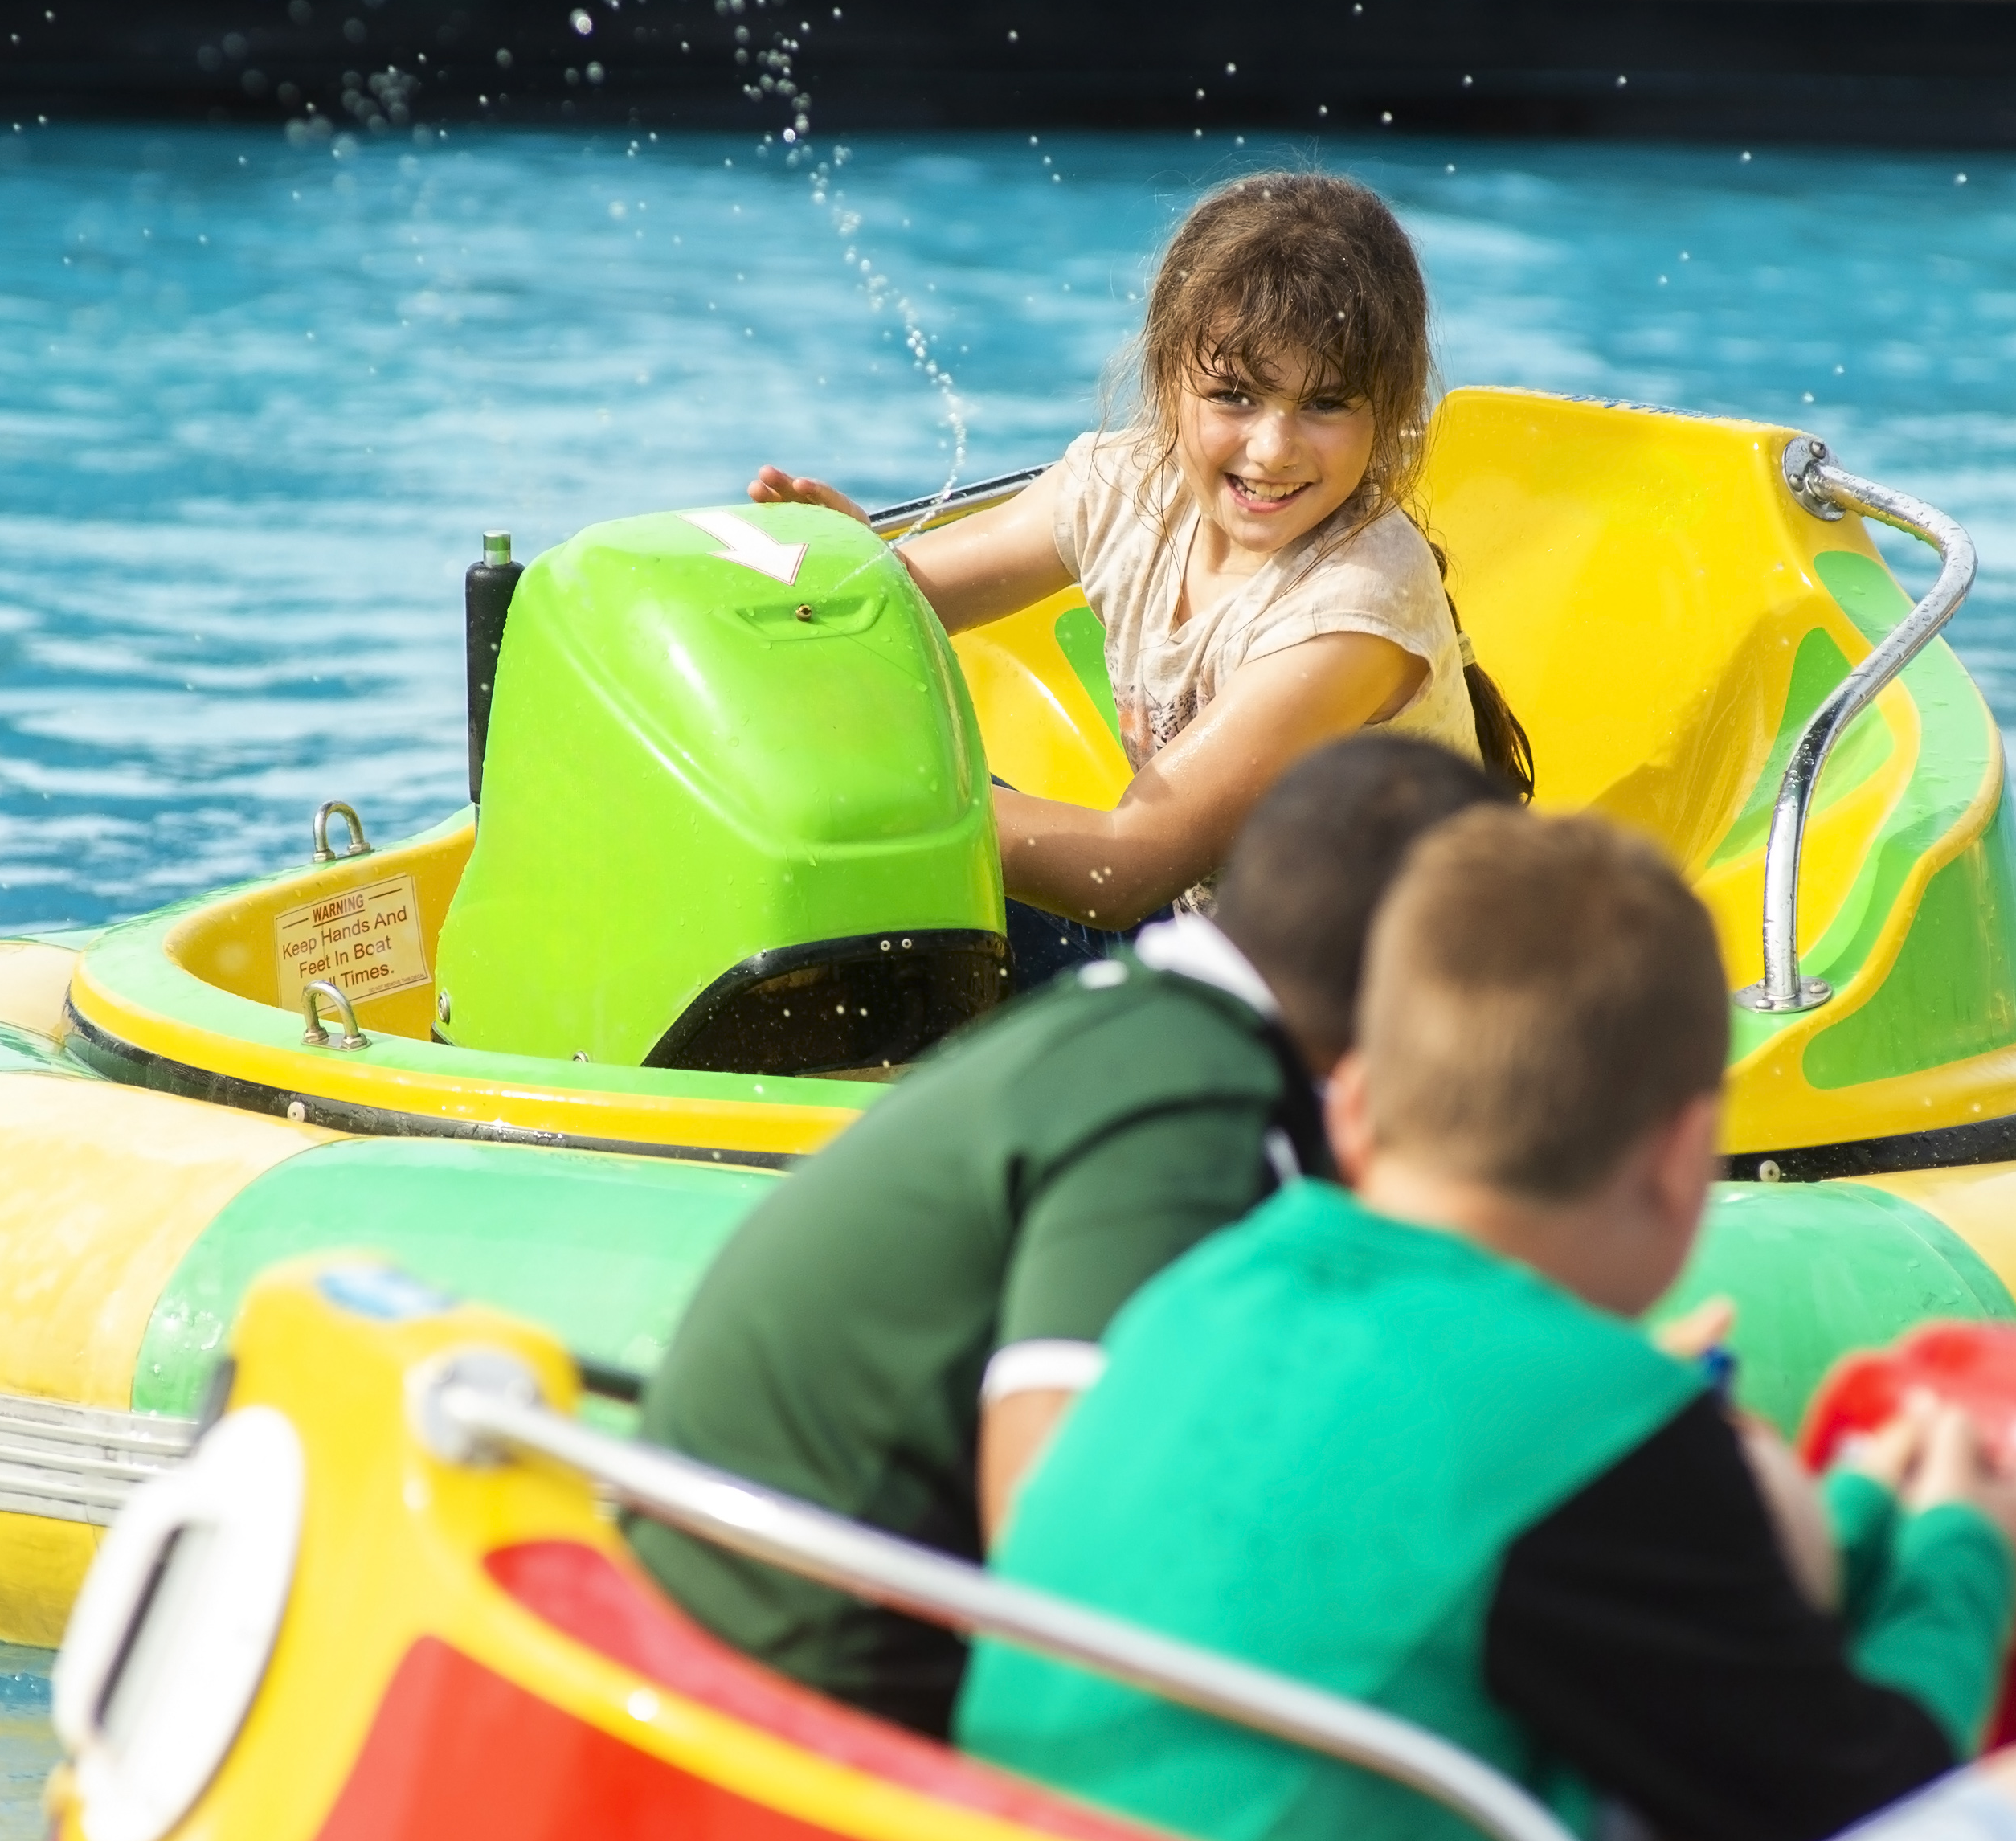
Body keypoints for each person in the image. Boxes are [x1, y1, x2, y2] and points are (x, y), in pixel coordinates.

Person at [957, 812, 2016, 1841]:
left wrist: (1852, 1523)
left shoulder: (1202, 1292)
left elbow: (1662, 1668)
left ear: (1355, 1107)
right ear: (1680, 1162)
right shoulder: (1596, 1420)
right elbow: (1869, 1790)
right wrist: (1962, 1559)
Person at [630, 733, 1508, 1739]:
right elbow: (1057, 1540)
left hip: (750, 1621)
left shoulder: (1141, 1032)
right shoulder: (1185, 1098)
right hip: (807, 1694)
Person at [746, 170, 1518, 986]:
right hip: (1209, 941)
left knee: (893, 836)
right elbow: (895, 608)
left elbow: (1120, 871)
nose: (1271, 450)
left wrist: (873, 804)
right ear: (1167, 376)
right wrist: (849, 571)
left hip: (1366, 1010)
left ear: (1387, 409)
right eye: (1234, 395)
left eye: (1325, 404)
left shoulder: (1353, 609)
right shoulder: (1128, 489)